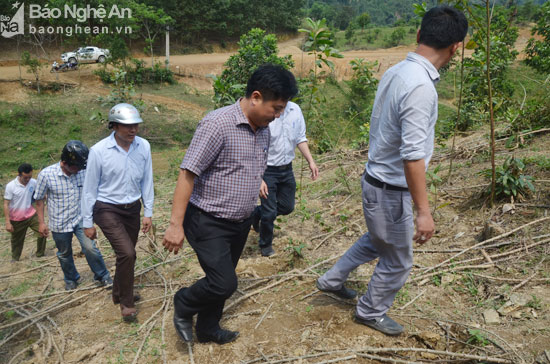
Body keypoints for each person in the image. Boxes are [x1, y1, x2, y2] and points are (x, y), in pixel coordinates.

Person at [315, 5, 468, 336]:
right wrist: (423, 212)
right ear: (457, 46)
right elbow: (412, 156)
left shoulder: (397, 71)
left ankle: (331, 279)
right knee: (398, 260)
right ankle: (370, 311)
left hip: (375, 181)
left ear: (418, 35)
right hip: (391, 189)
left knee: (377, 240)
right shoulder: (421, 87)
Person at [163, 64, 298, 345]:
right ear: (256, 97)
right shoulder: (217, 124)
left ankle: (208, 328)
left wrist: (256, 179)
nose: (277, 116)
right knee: (223, 283)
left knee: (223, 281)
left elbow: (248, 163)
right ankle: (184, 302)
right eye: (276, 108)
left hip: (240, 220)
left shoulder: (263, 129)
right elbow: (188, 173)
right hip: (207, 220)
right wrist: (175, 225)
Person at [82, 103, 154, 322]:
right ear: (114, 126)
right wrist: (87, 222)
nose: (132, 130)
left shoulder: (143, 147)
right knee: (128, 254)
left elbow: (147, 180)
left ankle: (118, 292)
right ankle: (127, 302)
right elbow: (89, 188)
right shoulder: (98, 151)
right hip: (106, 207)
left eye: (135, 125)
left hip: (132, 207)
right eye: (126, 126)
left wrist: (148, 211)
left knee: (127, 253)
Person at [34, 141, 112, 291]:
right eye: (76, 167)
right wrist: (42, 223)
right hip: (59, 222)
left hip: (80, 219)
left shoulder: (83, 171)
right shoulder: (46, 175)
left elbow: (92, 192)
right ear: (64, 162)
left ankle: (102, 275)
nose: (79, 170)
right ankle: (71, 279)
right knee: (64, 253)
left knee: (90, 248)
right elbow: (39, 200)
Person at [251, 101, 319, 256]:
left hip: (286, 168)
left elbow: (300, 138)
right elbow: (255, 144)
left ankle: (256, 213)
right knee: (269, 213)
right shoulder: (266, 110)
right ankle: (265, 245)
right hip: (267, 169)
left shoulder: (295, 109)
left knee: (287, 207)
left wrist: (311, 161)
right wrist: (259, 177)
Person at [3, 163, 46, 261]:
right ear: (19, 175)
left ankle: (40, 254)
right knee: (17, 241)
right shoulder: (11, 186)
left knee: (42, 232)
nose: (27, 180)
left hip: (31, 214)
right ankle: (15, 259)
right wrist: (7, 222)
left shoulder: (33, 182)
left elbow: (40, 194)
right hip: (16, 219)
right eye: (25, 178)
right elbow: (6, 204)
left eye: (29, 177)